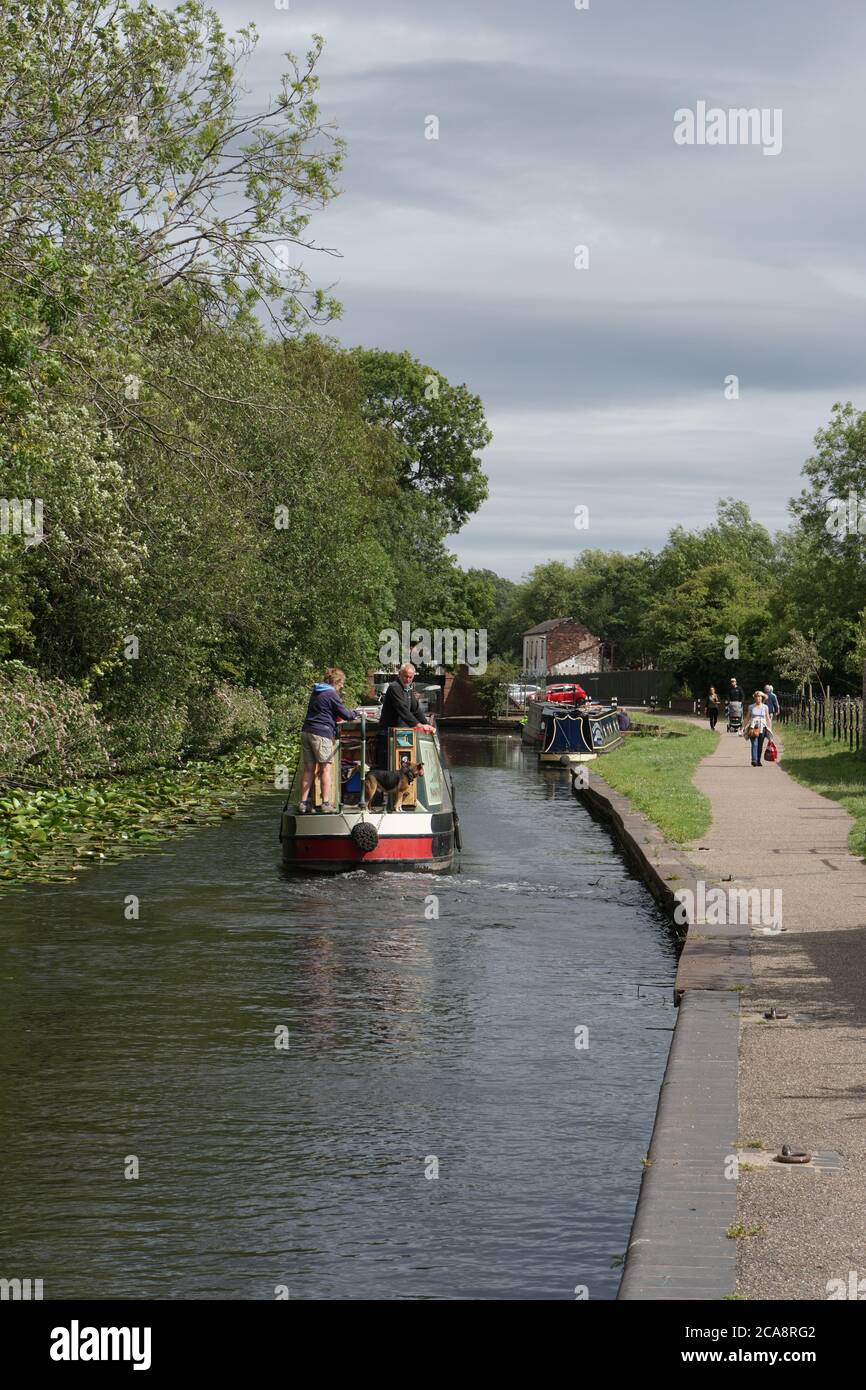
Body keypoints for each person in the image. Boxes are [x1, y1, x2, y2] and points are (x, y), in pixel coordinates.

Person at [298, 667, 360, 813]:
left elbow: (325, 710)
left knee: (308, 769)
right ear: (336, 681)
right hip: (321, 734)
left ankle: (303, 803)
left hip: (307, 731)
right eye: (342, 683)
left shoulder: (316, 691)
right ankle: (326, 803)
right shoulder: (331, 693)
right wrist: (356, 712)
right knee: (326, 768)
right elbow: (346, 715)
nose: (342, 686)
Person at [375, 662, 435, 770]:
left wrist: (427, 725)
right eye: (405, 676)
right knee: (388, 768)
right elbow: (402, 709)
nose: (407, 679)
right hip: (388, 735)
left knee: (402, 766)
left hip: (402, 734)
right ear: (399, 674)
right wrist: (418, 725)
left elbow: (416, 710)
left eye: (410, 677)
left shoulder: (407, 689)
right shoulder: (394, 687)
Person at [744, 689, 773, 766]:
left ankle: (758, 760)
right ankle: (754, 760)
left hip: (762, 727)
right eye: (756, 696)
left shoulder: (765, 707)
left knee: (760, 745)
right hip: (753, 727)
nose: (758, 698)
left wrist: (770, 729)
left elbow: (768, 718)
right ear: (755, 698)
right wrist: (743, 727)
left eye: (759, 696)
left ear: (762, 698)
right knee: (754, 743)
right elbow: (747, 717)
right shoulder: (751, 707)